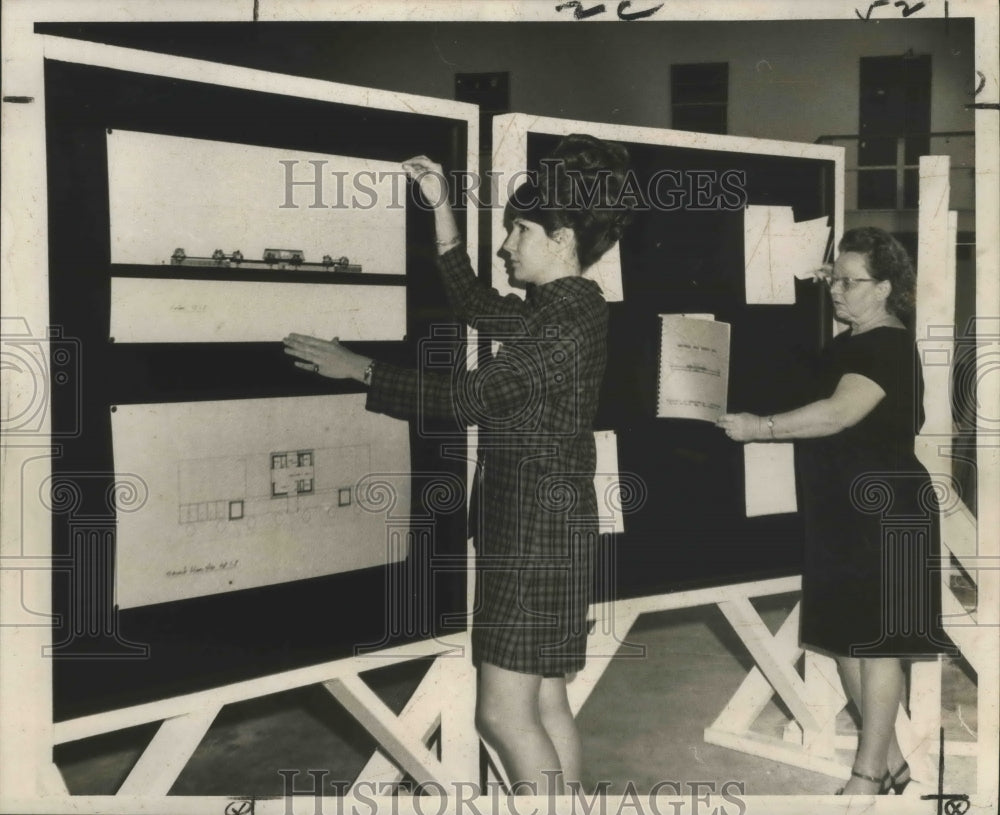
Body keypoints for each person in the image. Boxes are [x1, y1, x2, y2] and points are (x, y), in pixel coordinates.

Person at [284, 135, 632, 795]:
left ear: (560, 239)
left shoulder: (557, 327)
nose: (507, 247)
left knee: (503, 711)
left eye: (519, 232)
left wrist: (354, 366)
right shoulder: (571, 305)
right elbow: (476, 305)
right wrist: (442, 209)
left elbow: (464, 398)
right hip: (550, 528)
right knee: (547, 699)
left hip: (531, 534)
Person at [716, 227, 953, 795]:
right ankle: (890, 756)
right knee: (846, 636)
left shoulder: (888, 345)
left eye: (851, 281)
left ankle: (868, 772)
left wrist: (760, 429)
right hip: (844, 509)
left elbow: (837, 414)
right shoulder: (849, 342)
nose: (837, 290)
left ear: (886, 288)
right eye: (834, 279)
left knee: (875, 643)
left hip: (886, 511)